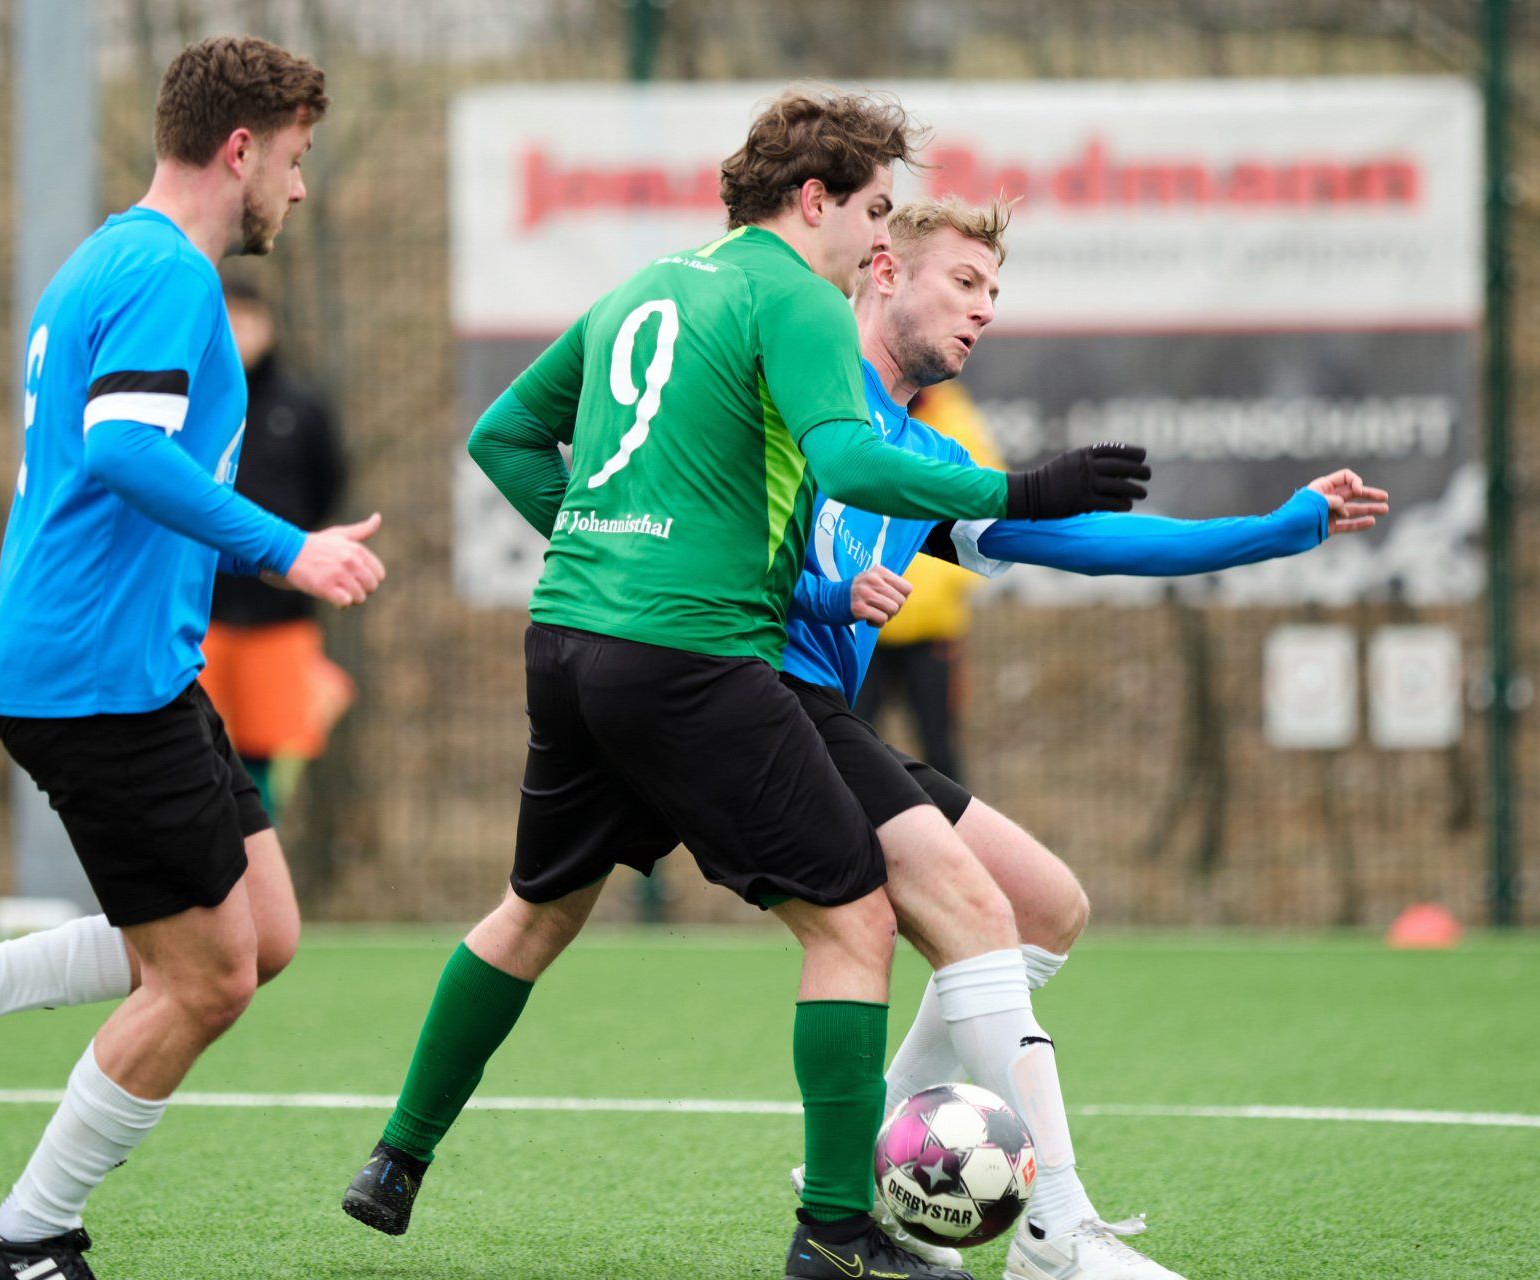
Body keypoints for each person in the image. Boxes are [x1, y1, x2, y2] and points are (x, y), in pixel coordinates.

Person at [339, 88, 1148, 1280]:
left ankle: (396, 1156)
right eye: (874, 209)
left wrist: (601, 544)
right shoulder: (796, 293)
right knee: (854, 914)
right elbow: (851, 457)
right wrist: (1020, 490)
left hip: (570, 640)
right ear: (813, 199)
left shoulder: (645, 286)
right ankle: (834, 1230)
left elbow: (503, 434)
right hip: (691, 657)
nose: (880, 238)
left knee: (538, 907)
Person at [0, 37, 384, 1280]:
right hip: (96, 678)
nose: (300, 188)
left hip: (127, 663)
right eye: (296, 159)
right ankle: (19, 1237)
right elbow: (123, 449)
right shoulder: (169, 273)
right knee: (207, 980)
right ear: (240, 149)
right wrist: (288, 550)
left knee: (262, 929)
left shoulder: (111, 254)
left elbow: (123, 464)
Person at [779, 194, 1388, 1280]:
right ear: (883, 270)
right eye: (965, 281)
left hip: (823, 715)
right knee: (975, 911)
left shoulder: (924, 454)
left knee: (1047, 904)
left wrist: (1282, 526)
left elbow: (1097, 540)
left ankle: (879, 1171)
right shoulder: (803, 404)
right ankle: (1056, 1226)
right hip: (756, 710)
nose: (985, 308)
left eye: (995, 291)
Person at [202, 274, 353, 818]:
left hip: (280, 615)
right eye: (228, 320)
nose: (239, 332)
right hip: (202, 609)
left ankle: (255, 847)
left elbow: (328, 484)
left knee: (265, 753)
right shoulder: (192, 403)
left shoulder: (301, 408)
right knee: (199, 748)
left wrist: (291, 553)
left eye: (248, 319)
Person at [853, 382, 1003, 780]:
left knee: (941, 751)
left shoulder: (955, 418)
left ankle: (946, 822)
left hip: (932, 628)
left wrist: (945, 587)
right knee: (845, 747)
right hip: (860, 625)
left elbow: (988, 508)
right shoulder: (857, 405)